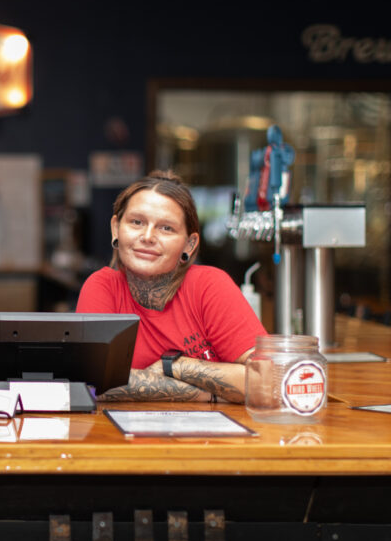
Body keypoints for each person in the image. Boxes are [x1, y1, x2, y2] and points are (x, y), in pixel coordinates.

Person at [76, 170, 265, 403]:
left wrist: (178, 367)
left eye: (166, 228)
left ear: (189, 244)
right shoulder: (102, 287)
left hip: (212, 438)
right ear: (116, 228)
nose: (147, 236)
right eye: (136, 222)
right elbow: (92, 382)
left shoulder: (210, 286)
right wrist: (209, 393)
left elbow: (266, 382)